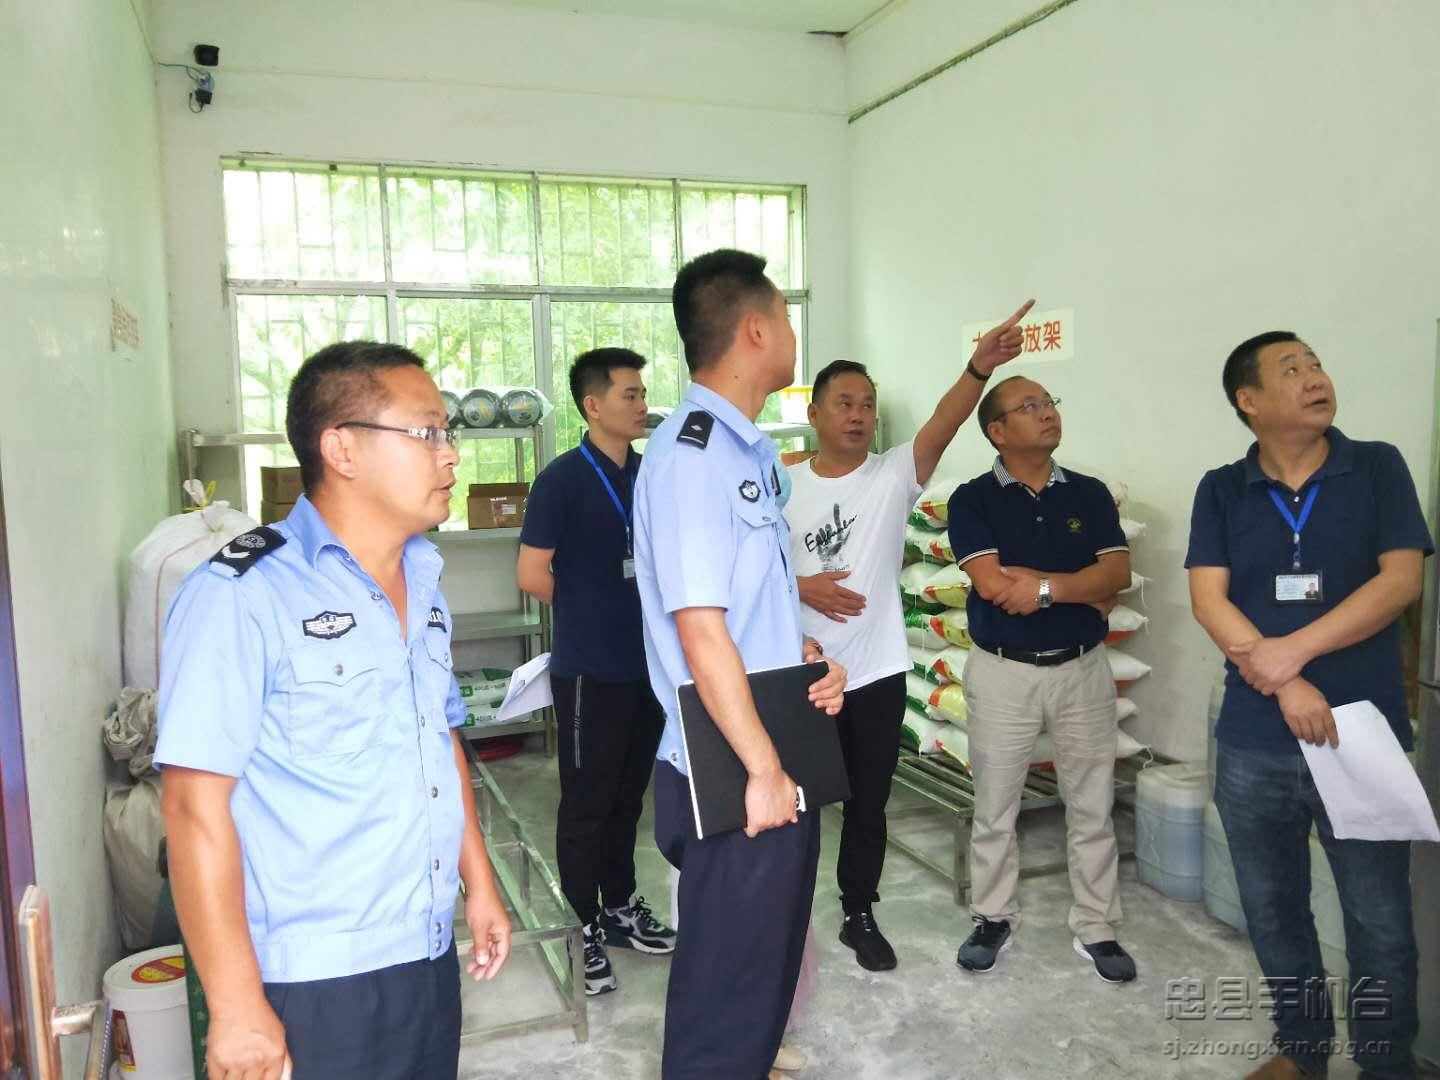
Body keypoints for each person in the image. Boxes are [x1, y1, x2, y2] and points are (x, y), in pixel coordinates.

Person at [156, 341, 511, 1080]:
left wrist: (478, 880)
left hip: (422, 948)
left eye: (447, 433)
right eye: (427, 432)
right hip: (309, 977)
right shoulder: (241, 595)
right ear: (342, 449)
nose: (450, 455)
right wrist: (236, 1007)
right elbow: (193, 807)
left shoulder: (423, 577)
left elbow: (437, 738)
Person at [1186, 331, 1429, 1080]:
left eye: (1316, 364)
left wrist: (1294, 651)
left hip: (1361, 733)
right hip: (1254, 736)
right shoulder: (1222, 488)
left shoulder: (1377, 466)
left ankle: (1385, 1063)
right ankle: (1302, 1049)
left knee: (1379, 920)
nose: (1315, 377)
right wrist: (1285, 680)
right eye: (1291, 369)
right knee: (1274, 911)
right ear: (1249, 401)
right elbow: (1209, 600)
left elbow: (1401, 582)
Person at [634, 248, 847, 1080]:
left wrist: (804, 657)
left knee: (765, 950)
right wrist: (762, 768)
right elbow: (699, 629)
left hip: (770, 735)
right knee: (727, 974)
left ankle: (750, 1057)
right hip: (730, 760)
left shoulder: (745, 452)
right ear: (755, 329)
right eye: (786, 316)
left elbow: (748, 612)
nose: (793, 332)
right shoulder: (693, 458)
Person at [783, 301, 1032, 972]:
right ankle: (783, 915)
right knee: (795, 803)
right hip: (800, 671)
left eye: (867, 404)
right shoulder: (781, 485)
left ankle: (858, 912)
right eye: (844, 404)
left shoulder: (892, 476)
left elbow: (945, 423)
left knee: (868, 804)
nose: (858, 415)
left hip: (875, 671)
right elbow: (746, 572)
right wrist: (802, 588)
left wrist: (978, 366)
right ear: (814, 412)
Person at [946, 375, 1136, 982]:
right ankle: (992, 916)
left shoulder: (1089, 493)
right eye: (1030, 406)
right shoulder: (973, 499)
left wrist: (1047, 588)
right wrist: (1082, 587)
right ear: (998, 431)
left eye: (1049, 401)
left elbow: (1118, 575)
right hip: (1004, 672)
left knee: (1092, 804)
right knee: (996, 805)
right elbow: (994, 585)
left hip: (1082, 668)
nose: (1047, 412)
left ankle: (1097, 924)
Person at [517, 347, 676, 997]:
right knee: (587, 805)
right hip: (589, 672)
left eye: (643, 394)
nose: (642, 405)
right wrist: (591, 607)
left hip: (647, 668)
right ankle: (581, 925)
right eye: (630, 395)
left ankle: (619, 910)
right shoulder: (561, 480)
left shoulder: (652, 474)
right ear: (593, 405)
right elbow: (532, 574)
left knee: (628, 799)